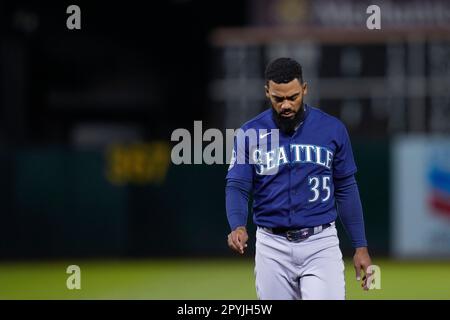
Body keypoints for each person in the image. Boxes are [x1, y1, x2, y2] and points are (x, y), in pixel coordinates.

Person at [225, 57, 372, 300]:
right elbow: (238, 186)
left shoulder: (332, 129)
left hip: (320, 243)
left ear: (304, 89)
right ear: (267, 93)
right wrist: (237, 225)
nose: (285, 105)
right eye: (278, 98)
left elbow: (346, 188)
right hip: (272, 246)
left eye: (293, 97)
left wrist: (360, 246)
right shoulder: (249, 134)